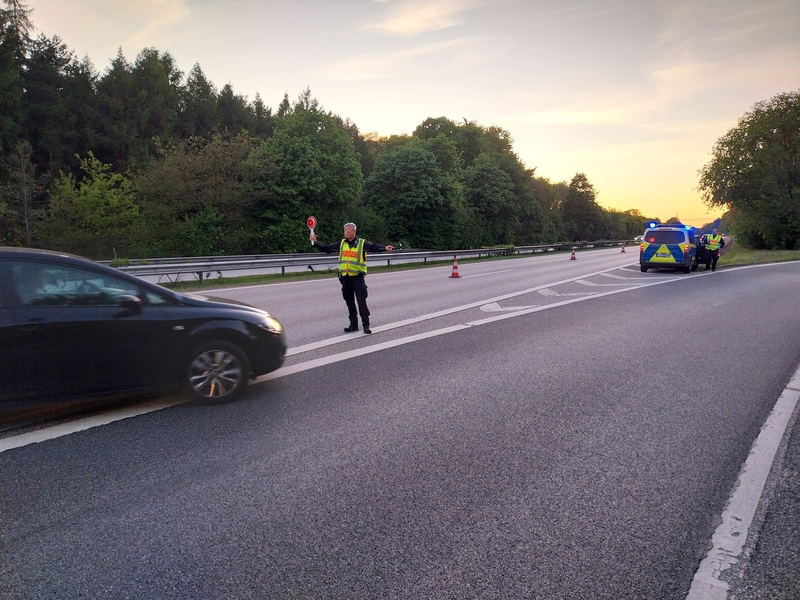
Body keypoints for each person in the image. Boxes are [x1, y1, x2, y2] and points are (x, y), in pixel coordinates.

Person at [311, 222, 394, 334]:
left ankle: (366, 324)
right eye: (344, 230)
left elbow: (373, 246)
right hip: (345, 278)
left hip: (357, 278)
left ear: (353, 231)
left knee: (361, 301)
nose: (344, 232)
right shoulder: (342, 243)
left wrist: (384, 248)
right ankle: (353, 324)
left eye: (346, 230)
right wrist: (316, 242)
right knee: (349, 302)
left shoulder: (362, 243)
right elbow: (328, 248)